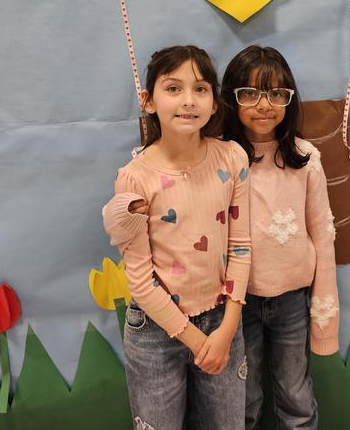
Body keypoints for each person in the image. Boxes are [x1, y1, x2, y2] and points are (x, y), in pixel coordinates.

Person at [103, 45, 251, 430]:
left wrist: (227, 328)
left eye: (200, 89)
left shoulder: (232, 158)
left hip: (223, 322)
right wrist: (195, 340)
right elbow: (140, 278)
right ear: (148, 101)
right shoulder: (135, 178)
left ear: (214, 103)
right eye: (173, 88)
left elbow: (241, 246)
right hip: (155, 332)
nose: (188, 101)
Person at [221, 45, 340, 430]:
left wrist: (324, 311)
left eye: (276, 93)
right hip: (237, 302)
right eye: (250, 93)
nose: (264, 105)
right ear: (233, 99)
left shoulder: (305, 158)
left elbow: (323, 233)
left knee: (296, 398)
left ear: (289, 99)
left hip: (292, 301)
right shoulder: (220, 159)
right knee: (244, 401)